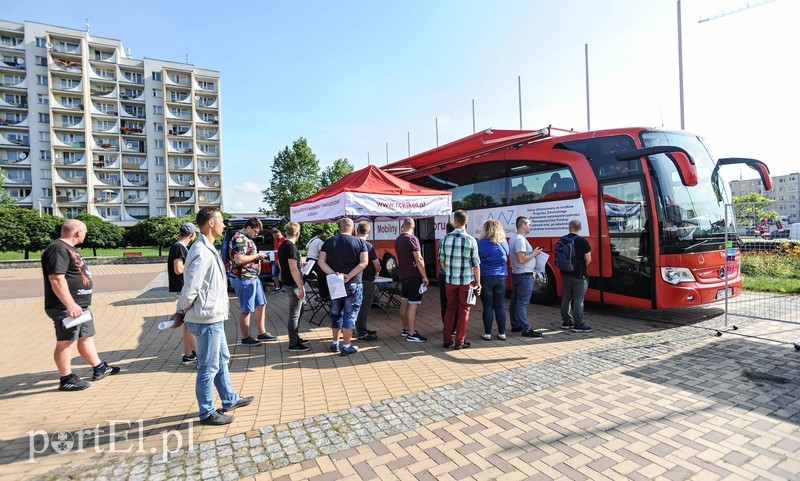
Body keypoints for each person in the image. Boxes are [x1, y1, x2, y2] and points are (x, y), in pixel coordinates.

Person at [169, 207, 254, 425]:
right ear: (209, 223)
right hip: (205, 318)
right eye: (221, 221)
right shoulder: (200, 251)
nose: (224, 225)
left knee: (221, 359)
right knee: (208, 366)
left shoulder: (206, 248)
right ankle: (206, 412)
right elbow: (191, 288)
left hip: (212, 316)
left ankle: (229, 398)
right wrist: (180, 311)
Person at [42, 219, 120, 391]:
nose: (85, 235)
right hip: (67, 308)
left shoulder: (69, 249)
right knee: (66, 341)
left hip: (80, 306)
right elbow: (56, 278)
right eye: (85, 232)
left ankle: (100, 368)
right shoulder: (57, 248)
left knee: (86, 337)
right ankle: (66, 378)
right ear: (78, 232)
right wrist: (69, 304)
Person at [318, 218, 368, 356]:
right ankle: (346, 345)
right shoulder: (360, 242)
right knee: (350, 315)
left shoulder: (328, 242)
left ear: (339, 228)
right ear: (352, 229)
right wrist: (350, 275)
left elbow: (321, 262)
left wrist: (334, 274)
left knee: (336, 314)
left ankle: (335, 343)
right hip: (353, 283)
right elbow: (364, 263)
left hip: (335, 282)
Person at [228, 217, 278, 347]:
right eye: (255, 231)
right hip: (244, 278)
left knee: (261, 304)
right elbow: (239, 259)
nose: (257, 234)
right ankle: (246, 337)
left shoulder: (246, 238)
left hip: (252, 277)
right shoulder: (240, 239)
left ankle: (262, 332)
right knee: (246, 309)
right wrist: (257, 256)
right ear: (249, 227)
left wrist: (258, 259)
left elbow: (246, 257)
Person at [439, 210, 480, 350]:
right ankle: (459, 341)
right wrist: (478, 283)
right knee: (464, 310)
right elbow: (476, 265)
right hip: (466, 282)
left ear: (454, 222)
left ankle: (446, 340)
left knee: (450, 309)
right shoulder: (471, 240)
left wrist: (449, 272)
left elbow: (442, 261)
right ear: (466, 223)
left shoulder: (444, 239)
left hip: (450, 280)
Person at [167, 222, 199, 364]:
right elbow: (178, 269)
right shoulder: (179, 247)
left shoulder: (179, 247)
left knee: (187, 323)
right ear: (192, 235)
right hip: (183, 289)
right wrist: (196, 264)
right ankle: (199, 354)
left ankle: (188, 354)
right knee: (190, 322)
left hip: (182, 289)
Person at [278, 221, 311, 352]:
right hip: (293, 284)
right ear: (297, 233)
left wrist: (300, 266)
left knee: (300, 310)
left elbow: (285, 265)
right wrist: (301, 286)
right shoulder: (291, 247)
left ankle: (295, 337)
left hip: (288, 282)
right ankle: (293, 343)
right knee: (294, 314)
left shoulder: (283, 246)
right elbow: (292, 268)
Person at [509, 216, 544, 338]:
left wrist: (533, 252)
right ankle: (526, 329)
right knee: (522, 303)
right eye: (529, 224)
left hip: (518, 274)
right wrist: (535, 253)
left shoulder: (515, 238)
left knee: (515, 301)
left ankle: (515, 325)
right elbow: (521, 258)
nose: (531, 226)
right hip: (524, 275)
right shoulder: (520, 239)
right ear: (523, 225)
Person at [394, 218, 429, 342]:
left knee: (404, 301)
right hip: (414, 275)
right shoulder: (412, 239)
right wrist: (424, 275)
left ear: (403, 226)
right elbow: (418, 259)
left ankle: (405, 329)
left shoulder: (398, 239)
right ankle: (412, 333)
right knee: (413, 304)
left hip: (403, 275)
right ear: (413, 227)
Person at [477, 219, 509, 340]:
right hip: (501, 276)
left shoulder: (481, 243)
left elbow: (476, 258)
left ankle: (488, 334)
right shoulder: (503, 242)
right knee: (500, 305)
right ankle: (502, 333)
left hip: (485, 276)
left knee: (488, 306)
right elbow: (507, 254)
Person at [560, 219, 593, 333]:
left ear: (569, 227)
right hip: (579, 275)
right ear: (580, 228)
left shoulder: (563, 240)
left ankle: (566, 322)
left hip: (565, 273)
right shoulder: (583, 241)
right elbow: (588, 259)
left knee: (566, 297)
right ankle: (578, 325)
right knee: (579, 300)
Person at [355, 221, 381, 341]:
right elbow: (376, 264)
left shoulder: (352, 243)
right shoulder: (368, 246)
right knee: (364, 306)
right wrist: (378, 270)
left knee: (356, 305)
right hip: (366, 280)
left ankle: (360, 328)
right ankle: (362, 332)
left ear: (357, 230)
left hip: (354, 278)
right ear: (369, 232)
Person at [438, 222, 455, 323]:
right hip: (455, 274)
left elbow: (440, 259)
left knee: (444, 301)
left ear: (446, 230)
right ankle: (454, 326)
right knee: (454, 302)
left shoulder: (442, 241)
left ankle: (447, 325)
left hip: (443, 274)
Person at [305, 228, 330, 299]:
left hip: (308, 258)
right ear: (320, 233)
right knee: (321, 277)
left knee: (305, 276)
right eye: (323, 234)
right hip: (315, 260)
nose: (324, 235)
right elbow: (322, 250)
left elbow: (306, 247)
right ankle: (324, 294)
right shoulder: (319, 241)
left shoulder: (312, 240)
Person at [271, 227, 285, 293]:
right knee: (274, 274)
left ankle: (284, 288)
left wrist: (279, 260)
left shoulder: (284, 240)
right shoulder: (275, 241)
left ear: (278, 234)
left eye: (274, 236)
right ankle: (277, 287)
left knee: (283, 274)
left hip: (282, 261)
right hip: (275, 260)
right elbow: (275, 251)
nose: (274, 238)